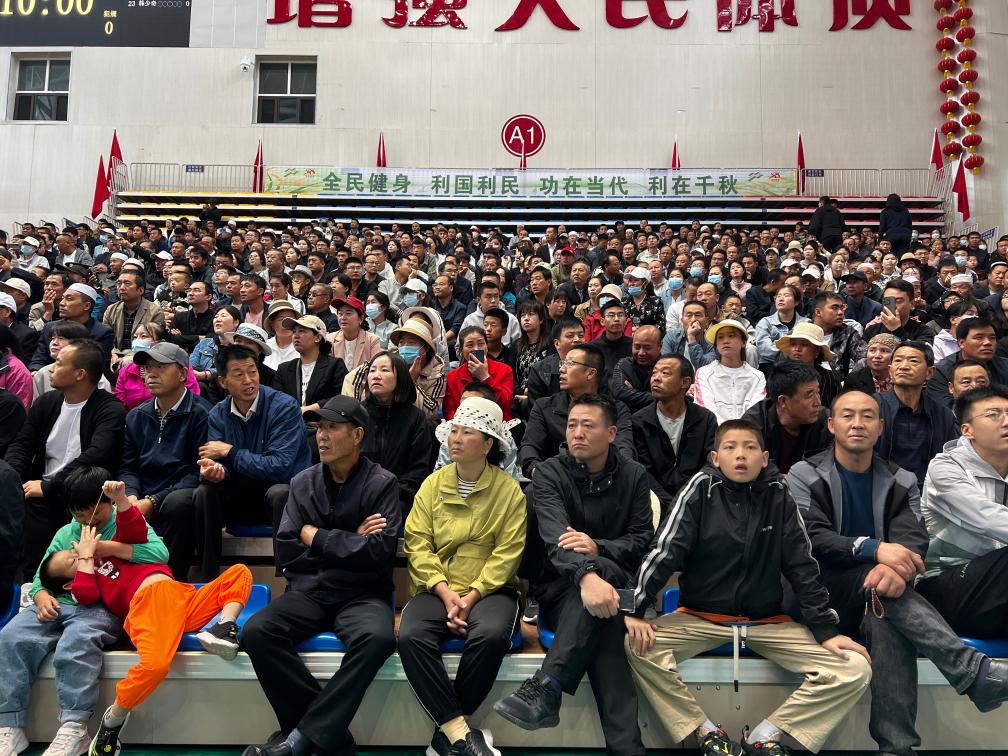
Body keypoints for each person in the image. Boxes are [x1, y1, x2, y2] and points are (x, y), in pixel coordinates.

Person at [624, 419, 871, 756]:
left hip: (766, 621)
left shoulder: (780, 495)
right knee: (635, 644)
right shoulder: (699, 489)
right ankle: (705, 731)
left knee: (854, 668)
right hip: (701, 617)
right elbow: (664, 552)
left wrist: (826, 631)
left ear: (764, 458)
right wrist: (635, 608)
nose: (740, 455)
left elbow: (802, 566)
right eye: (730, 447)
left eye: (750, 447)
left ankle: (766, 736)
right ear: (715, 458)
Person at [790, 390, 1008, 756]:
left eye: (867, 416)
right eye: (847, 415)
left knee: (884, 605)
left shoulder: (901, 479)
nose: (857, 423)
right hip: (818, 593)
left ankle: (897, 749)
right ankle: (972, 672)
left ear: (880, 427)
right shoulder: (804, 474)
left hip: (881, 591)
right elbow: (810, 537)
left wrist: (898, 570)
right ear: (831, 425)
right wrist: (874, 549)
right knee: (881, 585)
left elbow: (912, 537)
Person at [39, 479, 252, 756]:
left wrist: (122, 501)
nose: (75, 551)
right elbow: (86, 594)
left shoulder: (113, 540)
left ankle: (224, 625)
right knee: (155, 666)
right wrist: (86, 559)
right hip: (147, 607)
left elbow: (136, 530)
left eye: (72, 551)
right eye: (70, 560)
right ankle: (113, 719)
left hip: (179, 595)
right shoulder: (86, 574)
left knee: (239, 572)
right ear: (68, 582)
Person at [494, 396, 652, 756]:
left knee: (601, 594)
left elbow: (641, 540)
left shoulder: (633, 476)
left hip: (614, 585)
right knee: (604, 622)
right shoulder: (550, 473)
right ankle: (628, 750)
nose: (577, 433)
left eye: (588, 426)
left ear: (611, 433)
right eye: (572, 425)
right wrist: (588, 577)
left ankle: (548, 686)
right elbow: (556, 539)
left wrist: (597, 549)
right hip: (560, 585)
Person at [242, 396, 400, 756]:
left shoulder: (382, 483)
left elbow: (379, 552)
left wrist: (317, 537)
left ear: (357, 435)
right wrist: (351, 540)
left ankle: (296, 740)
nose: (322, 436)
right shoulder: (302, 482)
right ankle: (328, 738)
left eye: (332, 427)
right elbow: (287, 552)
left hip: (362, 593)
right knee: (257, 631)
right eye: (319, 428)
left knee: (377, 638)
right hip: (309, 590)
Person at [0, 466, 168, 756]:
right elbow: (42, 573)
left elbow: (159, 554)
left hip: (99, 607)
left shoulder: (127, 521)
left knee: (76, 643)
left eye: (93, 511)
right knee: (11, 637)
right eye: (78, 513)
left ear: (108, 502)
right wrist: (40, 594)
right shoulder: (67, 532)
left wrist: (107, 548)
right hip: (57, 602)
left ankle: (74, 727)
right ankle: (9, 724)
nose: (85, 519)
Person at [399, 397, 526, 756]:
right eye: (453, 430)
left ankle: (449, 733)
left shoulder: (509, 491)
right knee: (410, 636)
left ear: (488, 445)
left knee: (490, 635)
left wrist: (471, 597)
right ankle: (461, 734)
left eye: (467, 432)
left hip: (490, 591)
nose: (456, 438)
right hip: (436, 587)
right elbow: (417, 542)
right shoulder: (432, 485)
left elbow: (507, 553)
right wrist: (443, 591)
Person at [6, 339, 126, 580]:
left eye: (59, 364)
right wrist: (11, 477)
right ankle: (30, 586)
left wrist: (49, 486)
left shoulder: (109, 408)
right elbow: (22, 444)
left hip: (84, 494)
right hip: (39, 489)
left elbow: (96, 454)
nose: (51, 368)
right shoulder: (47, 402)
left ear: (80, 374)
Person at [192, 344, 311, 580]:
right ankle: (208, 578)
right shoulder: (217, 414)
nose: (249, 380)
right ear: (223, 382)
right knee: (204, 493)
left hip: (277, 500)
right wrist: (217, 471)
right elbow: (216, 459)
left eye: (252, 371)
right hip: (240, 496)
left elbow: (280, 467)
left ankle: (287, 578)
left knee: (280, 492)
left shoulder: (284, 407)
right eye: (239, 374)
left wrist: (231, 453)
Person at [917, 385, 1008, 639]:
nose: (1006, 421)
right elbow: (987, 518)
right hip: (946, 586)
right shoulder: (945, 467)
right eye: (993, 414)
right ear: (967, 430)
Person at [119, 342, 212, 580]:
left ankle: (173, 580)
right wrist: (131, 496)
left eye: (160, 367)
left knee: (178, 504)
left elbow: (197, 472)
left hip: (177, 494)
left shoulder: (202, 414)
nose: (151, 373)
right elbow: (128, 466)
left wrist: (154, 501)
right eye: (147, 367)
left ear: (182, 374)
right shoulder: (136, 415)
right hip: (141, 494)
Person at [519, 344, 635, 479]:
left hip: (603, 479)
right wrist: (538, 472)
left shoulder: (616, 410)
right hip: (556, 480)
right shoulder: (544, 407)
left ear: (591, 373)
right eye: (562, 363)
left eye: (570, 364)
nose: (561, 369)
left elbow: (624, 447)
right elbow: (529, 446)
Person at [632, 355, 717, 517]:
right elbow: (643, 471)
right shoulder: (639, 421)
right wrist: (672, 505)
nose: (656, 378)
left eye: (665, 373)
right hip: (655, 503)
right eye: (654, 373)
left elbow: (710, 465)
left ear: (685, 382)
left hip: (698, 500)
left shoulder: (705, 419)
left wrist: (689, 499)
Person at [875, 341, 959, 488]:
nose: (904, 366)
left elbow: (950, 460)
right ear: (890, 370)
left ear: (929, 372)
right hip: (880, 489)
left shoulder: (943, 415)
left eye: (913, 361)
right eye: (898, 361)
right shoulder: (871, 408)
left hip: (928, 492)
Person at [360, 351, 434, 514]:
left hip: (399, 500)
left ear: (400, 377)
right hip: (358, 498)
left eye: (384, 370)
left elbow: (418, 470)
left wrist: (389, 496)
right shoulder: (357, 415)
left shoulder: (415, 419)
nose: (376, 376)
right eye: (372, 370)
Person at [742, 360, 830, 475]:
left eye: (817, 392)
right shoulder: (753, 425)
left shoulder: (825, 420)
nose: (818, 402)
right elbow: (745, 469)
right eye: (809, 395)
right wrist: (779, 479)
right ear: (783, 401)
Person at [114, 322, 201, 411]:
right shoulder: (126, 370)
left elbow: (191, 399)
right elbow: (119, 404)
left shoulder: (178, 365)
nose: (137, 341)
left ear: (161, 342)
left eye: (144, 336)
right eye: (135, 337)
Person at [28, 284, 114, 372]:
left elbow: (96, 368)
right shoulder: (49, 327)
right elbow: (38, 359)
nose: (61, 303)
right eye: (62, 298)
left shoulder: (102, 332)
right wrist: (35, 371)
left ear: (86, 306)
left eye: (69, 299)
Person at [694, 319, 766, 424]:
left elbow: (756, 412)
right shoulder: (704, 373)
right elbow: (706, 410)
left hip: (747, 432)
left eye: (731, 336)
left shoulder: (757, 377)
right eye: (720, 337)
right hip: (715, 432)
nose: (725, 341)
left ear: (743, 342)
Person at [927, 317, 1008, 408]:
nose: (988, 342)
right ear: (961, 343)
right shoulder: (940, 371)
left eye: (992, 338)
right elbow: (944, 408)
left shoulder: (1005, 366)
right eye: (979, 337)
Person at [275, 314, 348, 414]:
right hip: (291, 421)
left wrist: (312, 408)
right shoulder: (284, 369)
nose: (296, 335)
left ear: (317, 337)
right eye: (294, 331)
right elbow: (277, 400)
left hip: (323, 421)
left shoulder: (335, 366)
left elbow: (342, 397)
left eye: (302, 331)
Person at [444, 327, 514, 421]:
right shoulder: (452, 376)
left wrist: (485, 377)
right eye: (470, 345)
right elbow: (449, 411)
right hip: (463, 424)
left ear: (487, 347)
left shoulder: (504, 370)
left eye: (481, 344)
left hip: (496, 423)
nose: (476, 349)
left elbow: (506, 404)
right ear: (461, 351)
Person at [103, 270, 164, 369]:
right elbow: (106, 338)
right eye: (119, 283)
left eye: (127, 283)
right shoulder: (111, 310)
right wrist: (113, 354)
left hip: (142, 355)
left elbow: (156, 343)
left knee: (128, 362)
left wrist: (126, 357)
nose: (121, 287)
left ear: (140, 290)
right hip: (115, 354)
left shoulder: (154, 311)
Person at [774, 323, 841, 409]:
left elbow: (837, 407)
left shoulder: (830, 377)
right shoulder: (779, 375)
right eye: (793, 344)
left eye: (804, 345)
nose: (797, 349)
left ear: (817, 351)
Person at [526, 318, 584, 405]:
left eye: (581, 335)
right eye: (570, 336)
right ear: (557, 343)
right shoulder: (539, 370)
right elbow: (536, 407)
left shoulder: (592, 365)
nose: (577, 339)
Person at [610, 325, 661, 413]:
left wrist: (632, 392)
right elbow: (619, 392)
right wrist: (658, 397)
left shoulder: (668, 366)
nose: (641, 353)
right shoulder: (624, 365)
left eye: (647, 348)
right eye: (637, 347)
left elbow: (674, 396)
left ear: (660, 346)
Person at [755, 285, 808, 368]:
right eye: (778, 296)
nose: (781, 299)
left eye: (786, 295)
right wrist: (792, 352)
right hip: (771, 366)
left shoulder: (806, 323)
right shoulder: (765, 322)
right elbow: (765, 350)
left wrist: (777, 345)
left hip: (799, 366)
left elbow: (808, 350)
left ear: (796, 302)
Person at [328, 296, 381, 372]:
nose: (343, 317)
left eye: (348, 313)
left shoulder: (372, 340)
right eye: (340, 313)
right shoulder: (329, 339)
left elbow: (375, 369)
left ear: (361, 318)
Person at [587, 297, 633, 375]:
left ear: (626, 321)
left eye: (620, 315)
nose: (616, 319)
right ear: (602, 321)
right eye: (611, 315)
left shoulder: (633, 345)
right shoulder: (592, 348)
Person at [262, 300, 299, 370]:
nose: (286, 323)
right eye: (281, 319)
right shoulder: (266, 347)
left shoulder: (304, 345)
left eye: (290, 318)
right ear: (272, 324)